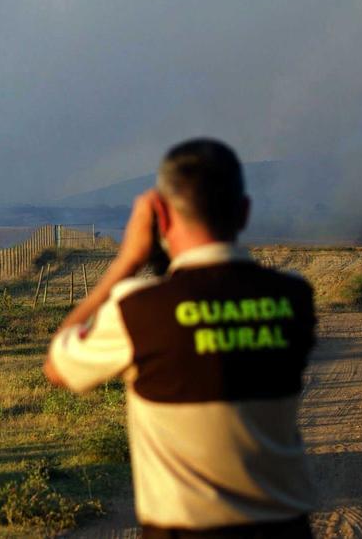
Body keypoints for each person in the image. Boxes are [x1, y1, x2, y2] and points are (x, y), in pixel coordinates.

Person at [44, 138, 316, 538]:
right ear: (244, 213)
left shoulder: (138, 310)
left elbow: (58, 367)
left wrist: (128, 260)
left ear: (159, 216)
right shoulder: (294, 298)